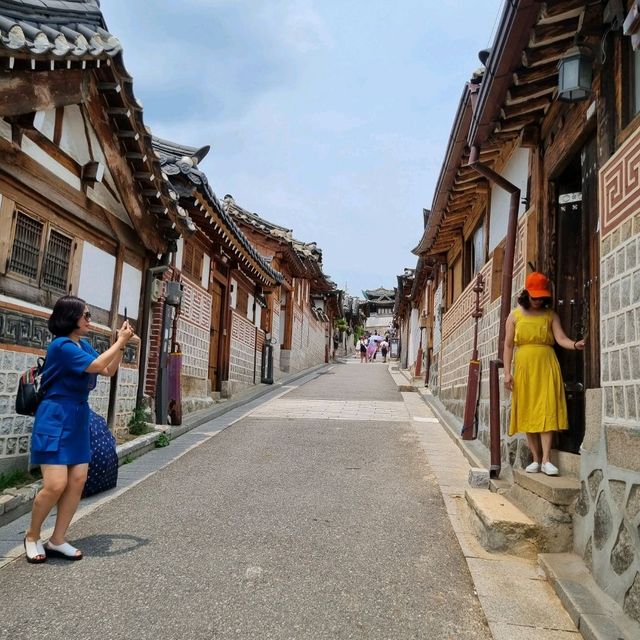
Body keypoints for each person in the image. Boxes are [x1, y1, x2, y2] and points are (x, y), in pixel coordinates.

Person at [23, 295, 135, 563]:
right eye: (85, 315)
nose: (89, 320)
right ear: (69, 317)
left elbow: (107, 370)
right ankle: (32, 536)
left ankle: (58, 539)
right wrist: (118, 341)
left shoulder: (81, 344)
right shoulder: (62, 347)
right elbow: (95, 366)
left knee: (77, 481)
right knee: (55, 484)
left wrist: (121, 347)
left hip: (77, 417)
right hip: (55, 416)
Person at [503, 272, 585, 476]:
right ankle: (536, 459)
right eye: (534, 297)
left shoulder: (550, 315)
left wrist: (575, 345)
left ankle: (547, 459)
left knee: (546, 408)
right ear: (526, 294)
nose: (538, 301)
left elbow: (560, 339)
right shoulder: (514, 315)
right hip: (524, 367)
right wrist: (507, 373)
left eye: (541, 297)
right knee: (528, 409)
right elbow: (507, 345)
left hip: (546, 364)